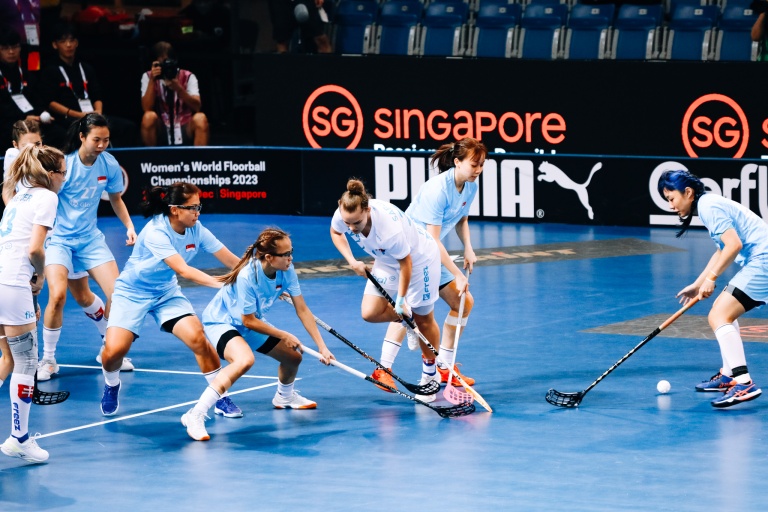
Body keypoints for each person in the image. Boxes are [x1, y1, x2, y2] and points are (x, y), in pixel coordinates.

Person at [99, 181, 241, 416]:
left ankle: (220, 397)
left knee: (198, 338)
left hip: (165, 292)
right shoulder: (156, 232)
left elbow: (229, 259)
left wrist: (257, 278)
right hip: (132, 292)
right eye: (193, 208)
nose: (197, 212)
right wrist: (221, 284)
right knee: (113, 353)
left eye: (199, 207)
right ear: (175, 209)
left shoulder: (197, 229)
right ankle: (112, 384)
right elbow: (184, 270)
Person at [182, 228, 335, 441]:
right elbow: (248, 320)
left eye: (292, 252)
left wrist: (322, 347)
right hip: (223, 322)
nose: (291, 258)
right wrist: (283, 335)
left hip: (250, 322)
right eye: (286, 255)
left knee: (292, 357)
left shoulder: (287, 271)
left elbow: (302, 309)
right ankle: (195, 414)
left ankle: (285, 396)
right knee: (244, 360)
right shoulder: (248, 276)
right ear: (269, 258)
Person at [371, 138, 486, 392]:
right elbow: (433, 241)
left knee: (463, 303)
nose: (478, 170)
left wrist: (468, 247)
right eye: (474, 164)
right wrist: (457, 273)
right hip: (409, 250)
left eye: (481, 165)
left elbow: (461, 219)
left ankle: (445, 367)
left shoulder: (470, 186)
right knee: (408, 307)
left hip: (429, 250)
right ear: (457, 162)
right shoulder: (437, 190)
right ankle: (382, 369)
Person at [38, 113, 137, 382]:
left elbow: (115, 199)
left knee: (117, 295)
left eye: (106, 139)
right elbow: (45, 201)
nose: (102, 144)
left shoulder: (109, 164)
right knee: (60, 296)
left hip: (90, 239)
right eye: (97, 139)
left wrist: (129, 226)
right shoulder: (64, 166)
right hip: (59, 240)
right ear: (82, 137)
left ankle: (110, 348)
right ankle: (48, 359)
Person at [658, 169, 764, 408]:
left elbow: (733, 245)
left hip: (763, 261)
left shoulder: (708, 206)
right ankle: (728, 376)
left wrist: (712, 278)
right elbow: (721, 249)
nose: (671, 205)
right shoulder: (708, 204)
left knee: (718, 315)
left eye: (672, 198)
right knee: (722, 311)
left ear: (688, 192)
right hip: (758, 260)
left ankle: (744, 383)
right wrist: (699, 283)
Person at [330, 179, 442, 402]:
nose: (351, 228)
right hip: (385, 260)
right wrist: (352, 261)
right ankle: (407, 319)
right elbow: (336, 232)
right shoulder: (346, 212)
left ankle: (431, 376)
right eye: (348, 222)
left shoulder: (388, 231)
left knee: (424, 318)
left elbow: (406, 263)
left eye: (356, 223)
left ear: (367, 209)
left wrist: (401, 299)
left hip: (420, 260)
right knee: (370, 312)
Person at [0, 144, 66, 463]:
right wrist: (38, 281)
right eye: (63, 173)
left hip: (3, 279)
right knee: (26, 362)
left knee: (7, 358)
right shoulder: (47, 197)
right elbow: (36, 251)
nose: (65, 179)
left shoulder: (18, 196)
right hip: (13, 281)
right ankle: (19, 439)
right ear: (50, 175)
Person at [38, 22, 137, 148]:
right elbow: (50, 102)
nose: (68, 45)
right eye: (63, 41)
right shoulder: (50, 70)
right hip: (68, 118)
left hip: (93, 116)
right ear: (55, 44)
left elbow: (97, 95)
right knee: (68, 133)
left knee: (128, 127)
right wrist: (78, 115)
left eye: (71, 40)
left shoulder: (86, 68)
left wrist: (98, 113)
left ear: (76, 43)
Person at [140, 41, 208, 147]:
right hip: (161, 126)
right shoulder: (148, 77)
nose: (164, 68)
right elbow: (146, 108)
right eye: (161, 64)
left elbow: (197, 107)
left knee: (201, 118)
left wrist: (179, 89)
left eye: (167, 63)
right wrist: (152, 80)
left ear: (175, 61)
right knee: (148, 117)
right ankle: (151, 160)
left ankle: (198, 161)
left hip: (184, 124)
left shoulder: (188, 76)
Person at [0, 28, 53, 146]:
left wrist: (42, 114)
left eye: (14, 47)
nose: (11, 51)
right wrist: (23, 118)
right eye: (5, 48)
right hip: (7, 123)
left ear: (20, 48)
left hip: (32, 121)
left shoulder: (27, 75)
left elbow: (37, 99)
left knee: (56, 132)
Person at [267, 0, 332, 54]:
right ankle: (282, 68)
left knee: (320, 38)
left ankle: (327, 67)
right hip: (281, 3)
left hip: (307, 2)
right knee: (282, 40)